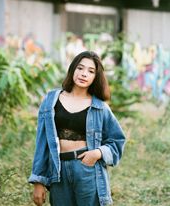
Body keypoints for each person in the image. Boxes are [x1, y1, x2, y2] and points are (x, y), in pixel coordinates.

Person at [28, 51, 126, 206]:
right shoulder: (51, 101)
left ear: (95, 77)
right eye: (80, 68)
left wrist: (98, 153)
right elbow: (42, 143)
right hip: (58, 171)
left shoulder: (100, 107)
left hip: (87, 168)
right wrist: (38, 181)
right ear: (73, 69)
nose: (84, 74)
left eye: (91, 71)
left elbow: (117, 140)